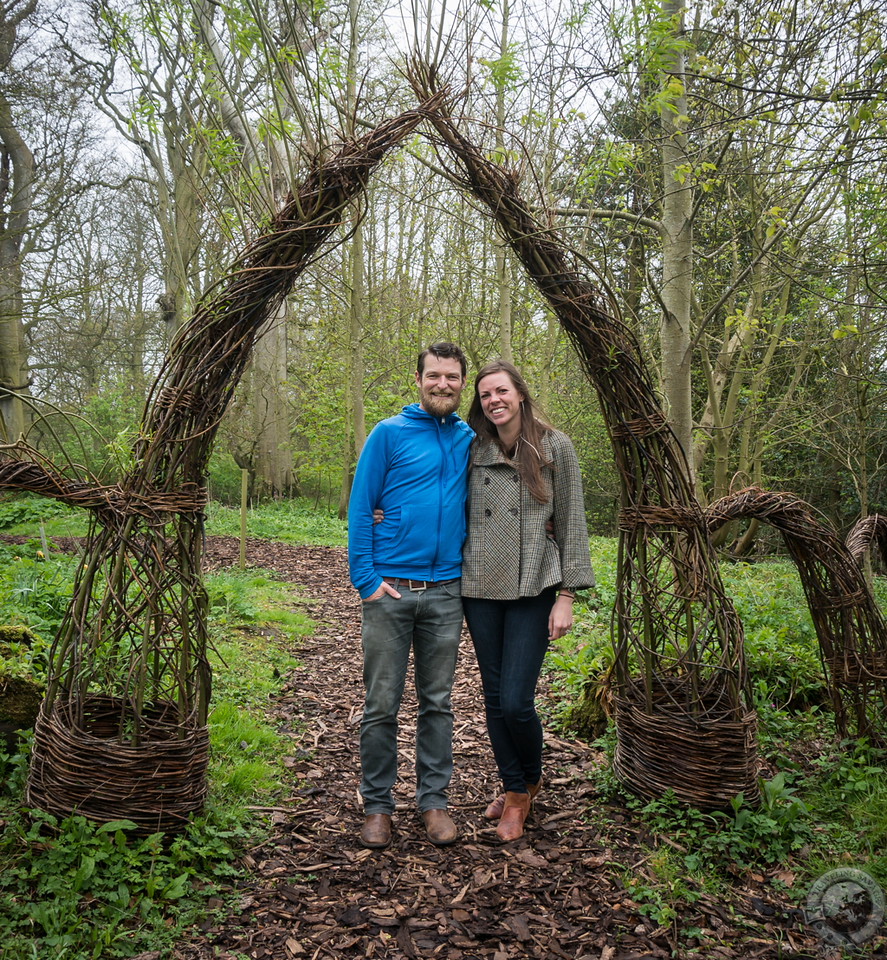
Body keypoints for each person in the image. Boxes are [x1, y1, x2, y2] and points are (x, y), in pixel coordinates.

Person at [460, 359, 595, 842]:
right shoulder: (470, 446)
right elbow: (437, 497)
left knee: (517, 701)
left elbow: (573, 522)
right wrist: (383, 511)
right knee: (495, 698)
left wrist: (567, 596)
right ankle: (515, 788)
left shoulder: (555, 446)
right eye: (484, 395)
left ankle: (527, 785)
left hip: (535, 585)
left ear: (519, 392)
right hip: (478, 586)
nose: (492, 401)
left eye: (500, 391)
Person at [348, 342, 474, 849]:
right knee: (381, 703)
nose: (443, 384)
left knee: (437, 703)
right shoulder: (389, 434)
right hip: (391, 592)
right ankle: (377, 806)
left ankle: (433, 802)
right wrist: (367, 580)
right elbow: (361, 507)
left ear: (463, 383)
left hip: (447, 593)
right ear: (418, 380)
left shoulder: (470, 438)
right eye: (434, 376)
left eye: (452, 377)